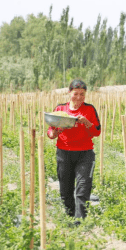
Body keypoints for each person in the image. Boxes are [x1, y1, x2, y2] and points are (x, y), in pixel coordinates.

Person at [47, 79, 102, 221]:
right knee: (65, 190)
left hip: (85, 154)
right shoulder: (60, 109)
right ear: (69, 92)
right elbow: (51, 133)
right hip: (64, 153)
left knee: (83, 188)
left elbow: (97, 132)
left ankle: (80, 221)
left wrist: (86, 122)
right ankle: (70, 218)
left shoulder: (89, 109)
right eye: (75, 93)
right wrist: (56, 132)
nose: (78, 97)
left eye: (82, 94)